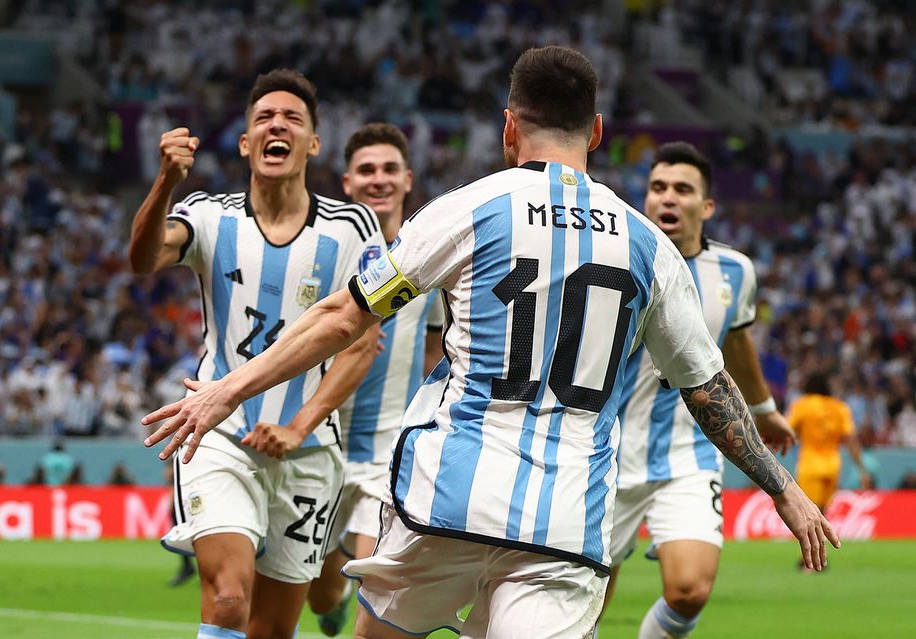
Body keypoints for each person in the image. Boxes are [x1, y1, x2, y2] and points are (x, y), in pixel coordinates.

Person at [143, 47, 838, 639]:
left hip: (447, 499)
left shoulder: (470, 208)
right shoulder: (646, 245)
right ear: (596, 131)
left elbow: (343, 317)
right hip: (566, 520)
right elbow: (709, 388)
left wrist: (227, 389)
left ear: (511, 127)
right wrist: (784, 490)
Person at [128, 68, 384, 639]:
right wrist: (165, 181)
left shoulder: (352, 226)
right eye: (264, 117)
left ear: (312, 144)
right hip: (216, 433)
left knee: (270, 630)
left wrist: (299, 423)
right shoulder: (207, 214)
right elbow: (144, 258)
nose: (277, 125)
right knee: (226, 602)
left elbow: (361, 343)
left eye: (292, 118)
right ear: (246, 143)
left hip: (310, 453)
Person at [597, 142, 798, 639]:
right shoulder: (614, 260)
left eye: (682, 189)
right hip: (605, 455)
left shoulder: (735, 272)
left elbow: (736, 339)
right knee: (587, 601)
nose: (668, 198)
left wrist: (764, 408)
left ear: (706, 207)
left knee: (690, 591)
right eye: (658, 187)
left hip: (688, 454)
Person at [306, 123, 444, 636]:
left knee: (376, 606)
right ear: (347, 182)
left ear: (408, 179)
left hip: (391, 450)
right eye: (367, 170)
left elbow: (436, 342)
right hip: (321, 446)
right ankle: (329, 594)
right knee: (321, 592)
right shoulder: (325, 255)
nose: (378, 179)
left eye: (390, 170)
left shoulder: (429, 255)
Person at [788, 371, 873, 513]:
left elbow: (787, 429)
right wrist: (862, 469)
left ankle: (812, 536)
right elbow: (851, 440)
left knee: (808, 512)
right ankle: (821, 536)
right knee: (823, 512)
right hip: (832, 465)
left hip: (810, 465)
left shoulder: (803, 405)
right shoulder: (840, 408)